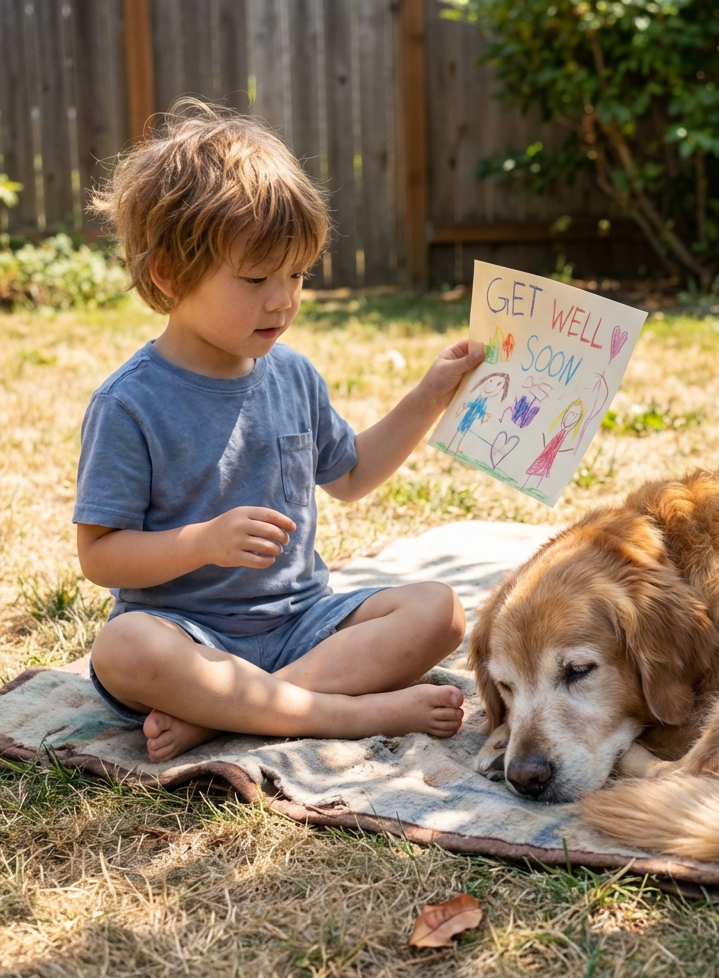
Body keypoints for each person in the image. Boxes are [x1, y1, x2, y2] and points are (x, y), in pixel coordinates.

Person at [75, 100, 484, 762]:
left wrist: (432, 394)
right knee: (123, 649)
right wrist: (202, 541)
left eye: (297, 274)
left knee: (440, 611)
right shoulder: (129, 404)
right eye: (257, 278)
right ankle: (342, 714)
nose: (284, 299)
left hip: (302, 625)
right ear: (169, 276)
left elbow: (350, 475)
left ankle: (232, 714)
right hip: (189, 636)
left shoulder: (291, 373)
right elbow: (100, 556)